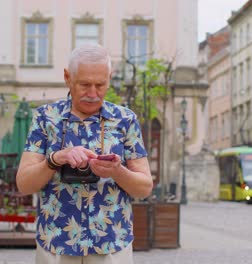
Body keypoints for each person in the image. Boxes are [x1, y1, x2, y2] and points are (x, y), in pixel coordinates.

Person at [16, 44, 153, 263]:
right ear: (67, 77)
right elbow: (24, 184)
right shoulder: (45, 117)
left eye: (100, 85)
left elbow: (144, 188)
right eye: (84, 84)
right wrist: (54, 160)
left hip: (111, 244)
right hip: (56, 243)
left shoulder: (126, 120)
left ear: (110, 77)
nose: (92, 93)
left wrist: (118, 171)